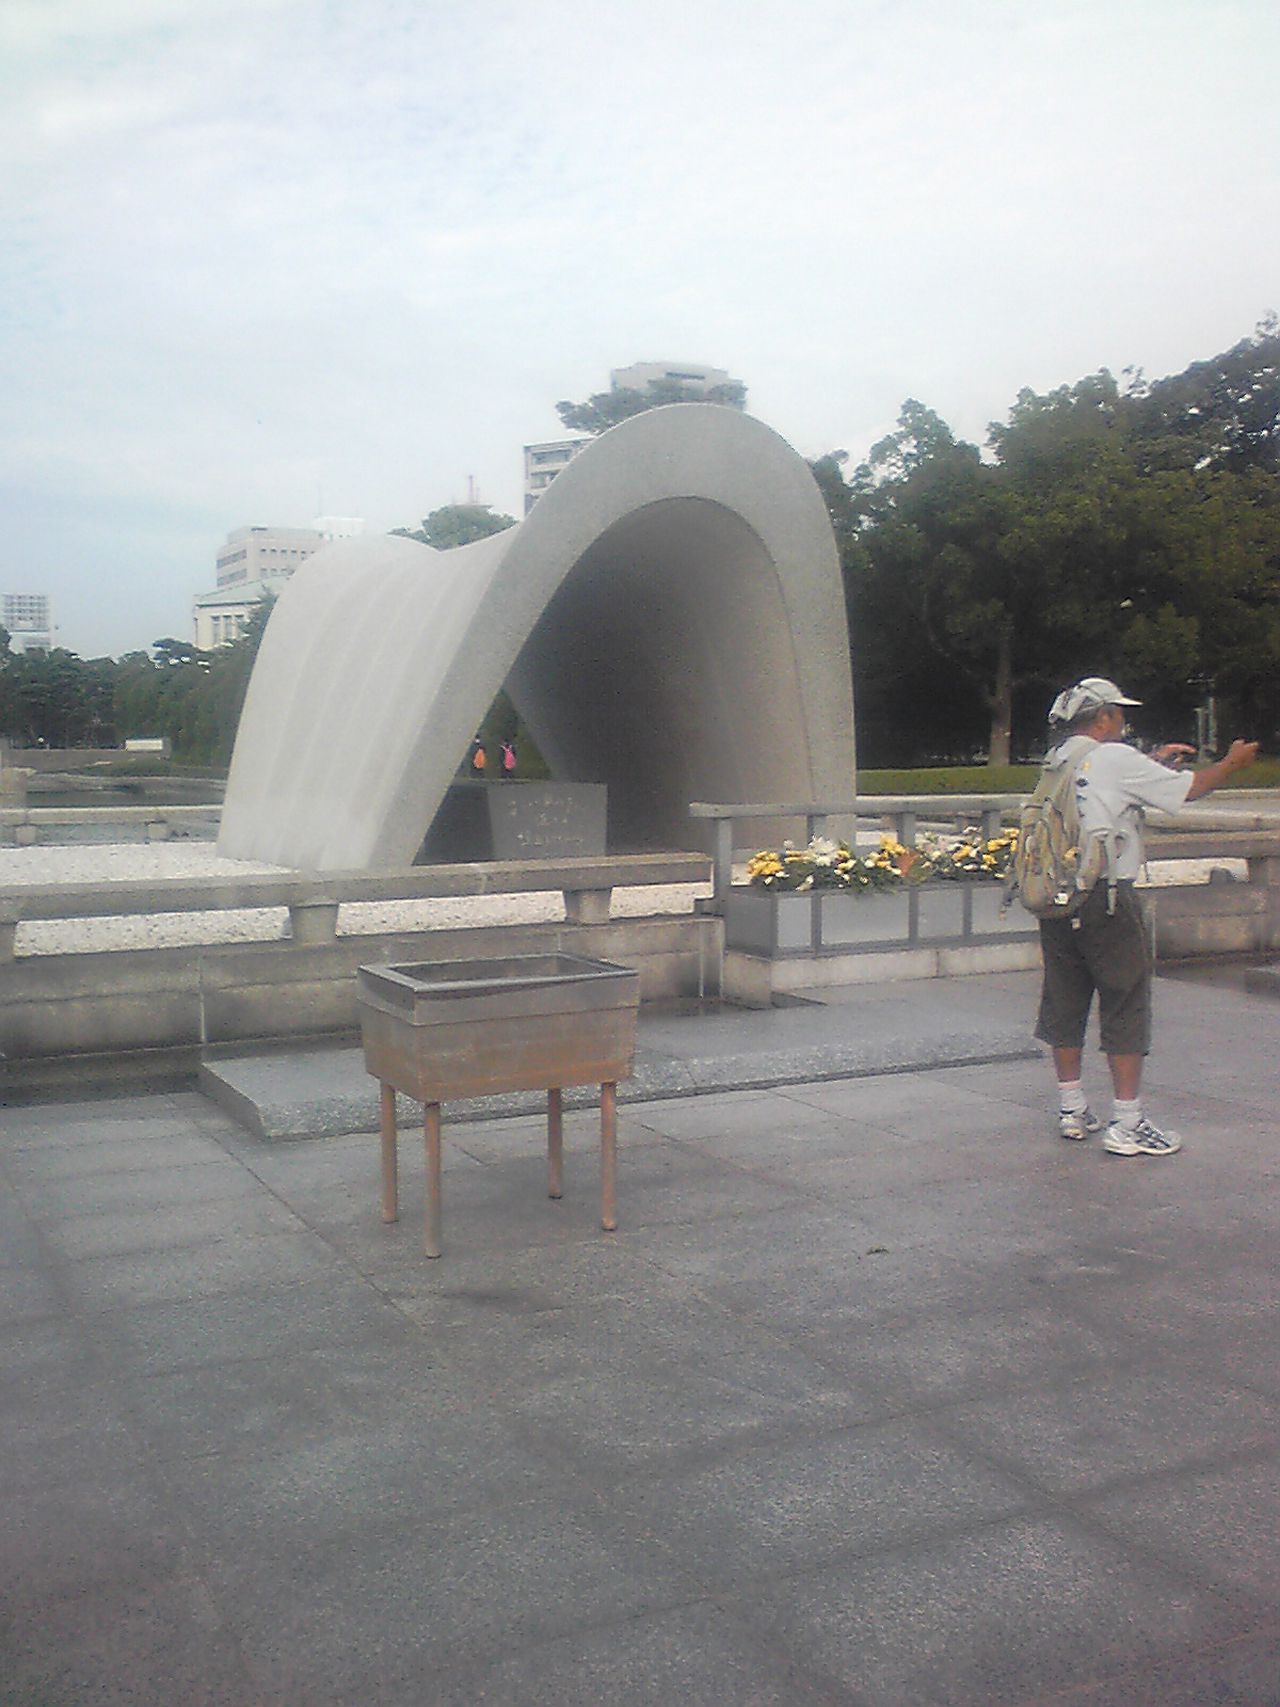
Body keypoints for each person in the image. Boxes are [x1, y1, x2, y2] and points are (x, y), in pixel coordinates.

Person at [1033, 676, 1259, 1157]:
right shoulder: (1113, 756)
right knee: (1125, 1000)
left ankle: (1071, 1109)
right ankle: (1128, 1123)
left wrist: (1152, 766)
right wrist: (1232, 763)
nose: (1123, 721)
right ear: (1102, 718)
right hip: (1108, 897)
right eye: (1119, 713)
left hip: (1057, 896)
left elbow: (1100, 797)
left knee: (1064, 1000)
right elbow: (1192, 789)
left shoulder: (1058, 759)